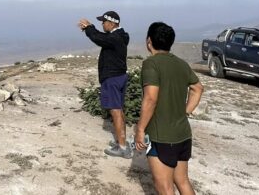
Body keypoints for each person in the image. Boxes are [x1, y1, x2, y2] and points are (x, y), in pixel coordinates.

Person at [135, 22, 204, 195]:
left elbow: (150, 98)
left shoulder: (151, 64)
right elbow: (197, 88)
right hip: (183, 134)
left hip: (161, 136)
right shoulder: (181, 64)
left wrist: (140, 129)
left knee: (164, 186)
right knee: (182, 181)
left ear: (148, 41)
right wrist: (185, 111)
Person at [78, 10, 131, 158]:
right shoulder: (119, 36)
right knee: (119, 110)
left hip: (112, 78)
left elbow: (98, 38)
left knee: (115, 111)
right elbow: (102, 37)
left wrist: (89, 28)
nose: (102, 24)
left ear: (112, 23)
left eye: (104, 21)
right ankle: (122, 142)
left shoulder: (115, 38)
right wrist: (90, 28)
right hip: (119, 76)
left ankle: (122, 148)